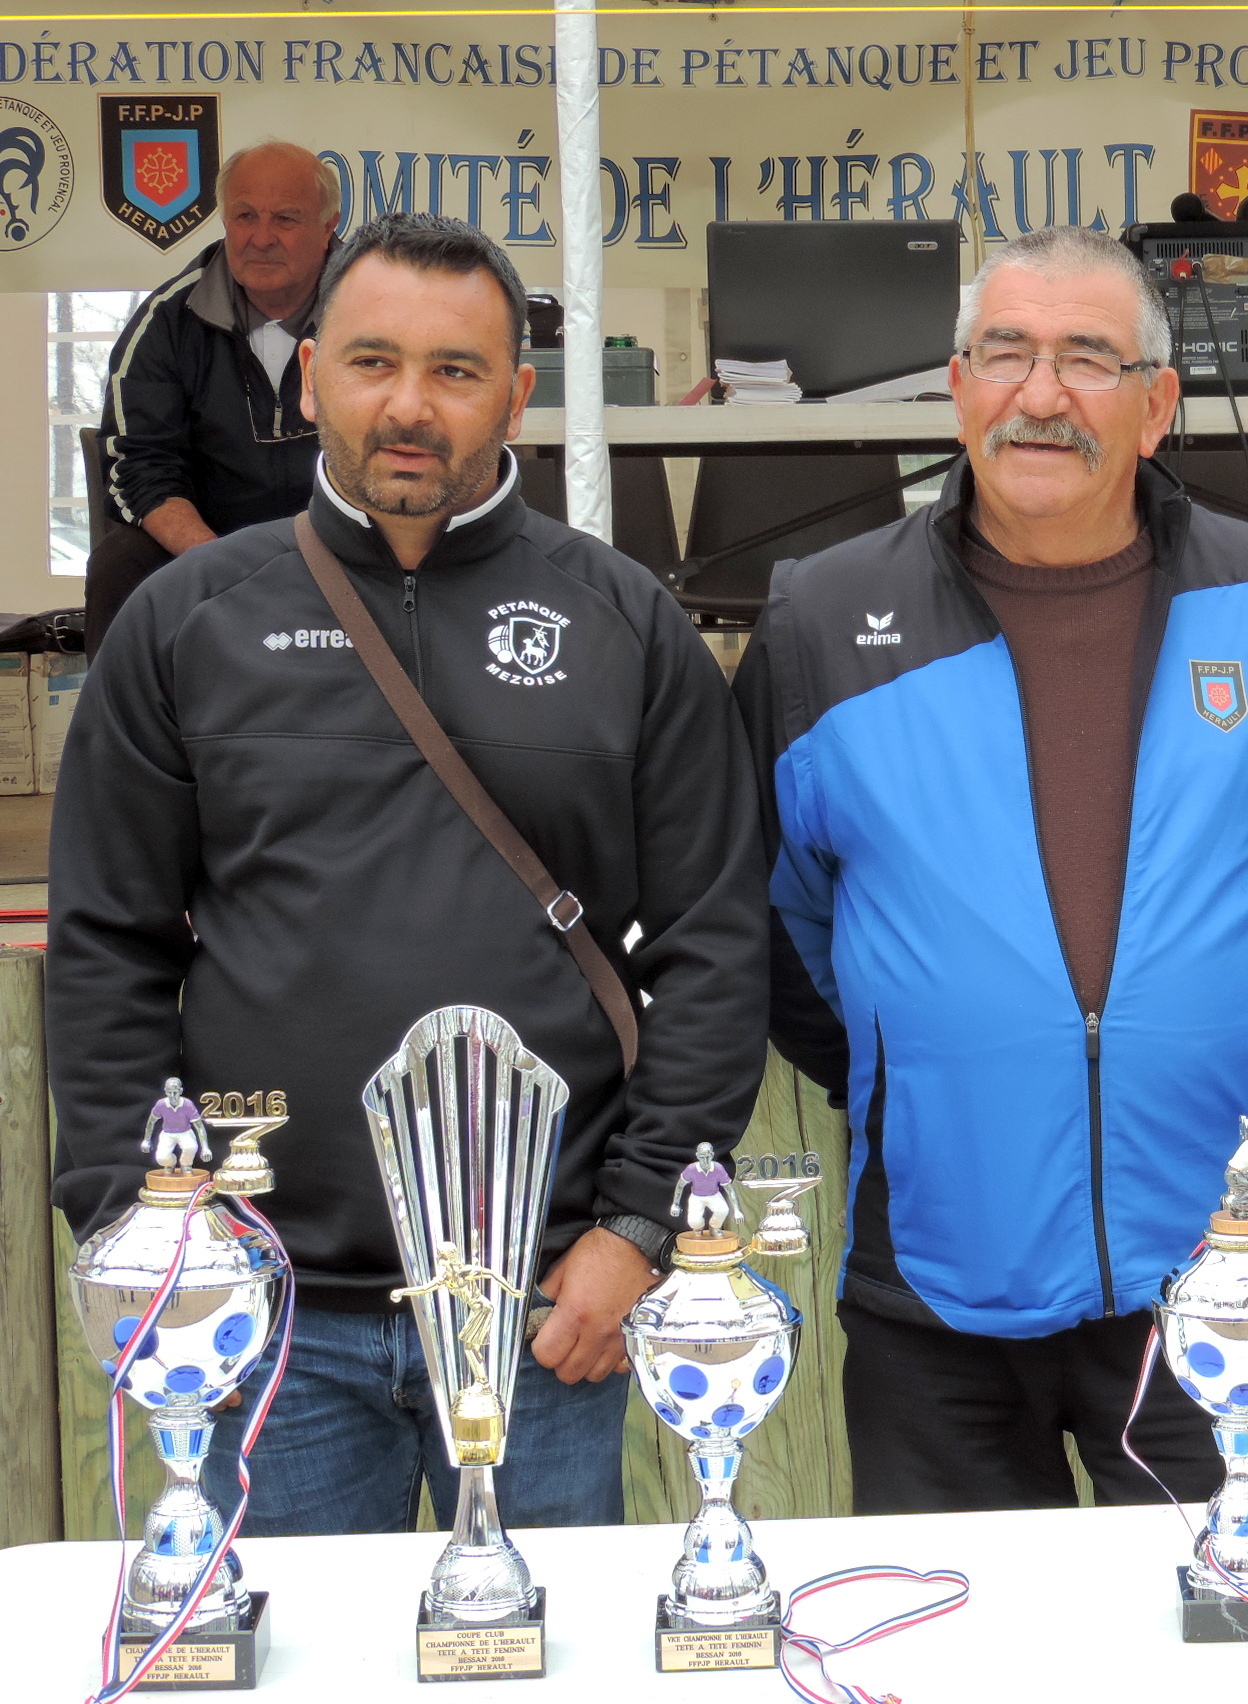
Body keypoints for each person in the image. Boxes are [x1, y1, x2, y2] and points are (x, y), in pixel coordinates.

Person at [48, 213, 770, 1536]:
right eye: (374, 363)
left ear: (517, 393)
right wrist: (136, 1232)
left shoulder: (623, 625)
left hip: (548, 1306)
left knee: (545, 1671)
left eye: (454, 370)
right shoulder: (187, 623)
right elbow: (108, 945)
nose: (409, 407)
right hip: (265, 1318)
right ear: (311, 373)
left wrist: (637, 1231)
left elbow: (716, 944)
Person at [734, 223, 1248, 1515]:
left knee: (1230, 1660)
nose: (1042, 394)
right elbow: (773, 917)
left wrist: (1175, 1026)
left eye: (1089, 358)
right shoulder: (820, 620)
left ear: (1157, 406)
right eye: (1007, 353)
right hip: (932, 1294)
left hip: (1219, 1281)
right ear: (957, 386)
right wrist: (917, 1058)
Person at [86, 141, 338, 656]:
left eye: (286, 219)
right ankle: (118, 733)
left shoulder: (378, 314)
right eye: (245, 216)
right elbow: (140, 465)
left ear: (329, 226)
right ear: (225, 220)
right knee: (119, 562)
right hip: (206, 541)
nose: (261, 238)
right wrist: (219, 562)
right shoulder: (164, 323)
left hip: (347, 537)